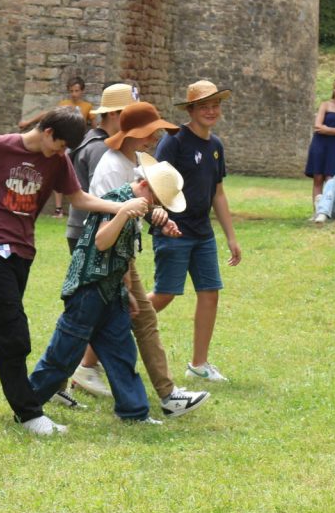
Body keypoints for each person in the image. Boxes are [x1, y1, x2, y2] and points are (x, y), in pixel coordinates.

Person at [0, 108, 127, 435]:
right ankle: (28, 413)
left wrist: (121, 207)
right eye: (59, 145)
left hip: (23, 253)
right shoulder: (0, 146)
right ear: (47, 132)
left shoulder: (58, 161)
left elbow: (79, 198)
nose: (61, 153)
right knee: (14, 331)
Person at [27, 153, 188, 429]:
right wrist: (123, 211)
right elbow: (102, 242)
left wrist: (127, 290)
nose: (157, 206)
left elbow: (121, 250)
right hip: (88, 290)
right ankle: (27, 407)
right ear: (147, 187)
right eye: (158, 199)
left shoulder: (136, 204)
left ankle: (134, 411)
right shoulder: (119, 201)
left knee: (121, 352)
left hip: (112, 292)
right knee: (62, 355)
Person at [87, 103, 211, 418]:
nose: (155, 137)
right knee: (92, 323)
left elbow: (144, 198)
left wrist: (160, 218)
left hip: (122, 251)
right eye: (150, 132)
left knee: (122, 321)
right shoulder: (112, 166)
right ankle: (62, 381)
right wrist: (125, 278)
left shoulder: (136, 161)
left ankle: (165, 395)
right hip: (110, 254)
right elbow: (108, 216)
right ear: (134, 134)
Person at [149, 80, 241, 383]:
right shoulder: (174, 141)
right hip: (174, 231)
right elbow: (155, 184)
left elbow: (218, 193)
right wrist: (162, 221)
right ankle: (103, 337)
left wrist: (231, 237)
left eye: (215, 106)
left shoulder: (216, 146)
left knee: (210, 293)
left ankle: (199, 364)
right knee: (163, 295)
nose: (211, 111)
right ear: (191, 110)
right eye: (204, 106)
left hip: (202, 234)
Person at [66, 83, 135, 398]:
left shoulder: (92, 142)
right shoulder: (100, 149)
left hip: (92, 233)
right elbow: (102, 201)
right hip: (92, 236)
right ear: (118, 115)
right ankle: (75, 369)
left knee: (96, 310)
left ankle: (85, 366)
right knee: (86, 313)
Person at [19, 77, 95, 217]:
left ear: (82, 91)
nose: (74, 94)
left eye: (77, 91)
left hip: (75, 143)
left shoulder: (87, 107)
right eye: (71, 91)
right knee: (58, 171)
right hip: (62, 142)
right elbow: (48, 115)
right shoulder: (64, 104)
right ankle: (59, 208)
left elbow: (94, 125)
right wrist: (28, 122)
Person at [306, 77, 335, 215]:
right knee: (318, 178)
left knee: (330, 178)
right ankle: (317, 212)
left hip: (334, 145)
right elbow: (317, 126)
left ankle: (328, 211)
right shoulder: (325, 105)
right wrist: (332, 130)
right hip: (319, 144)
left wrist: (327, 130)